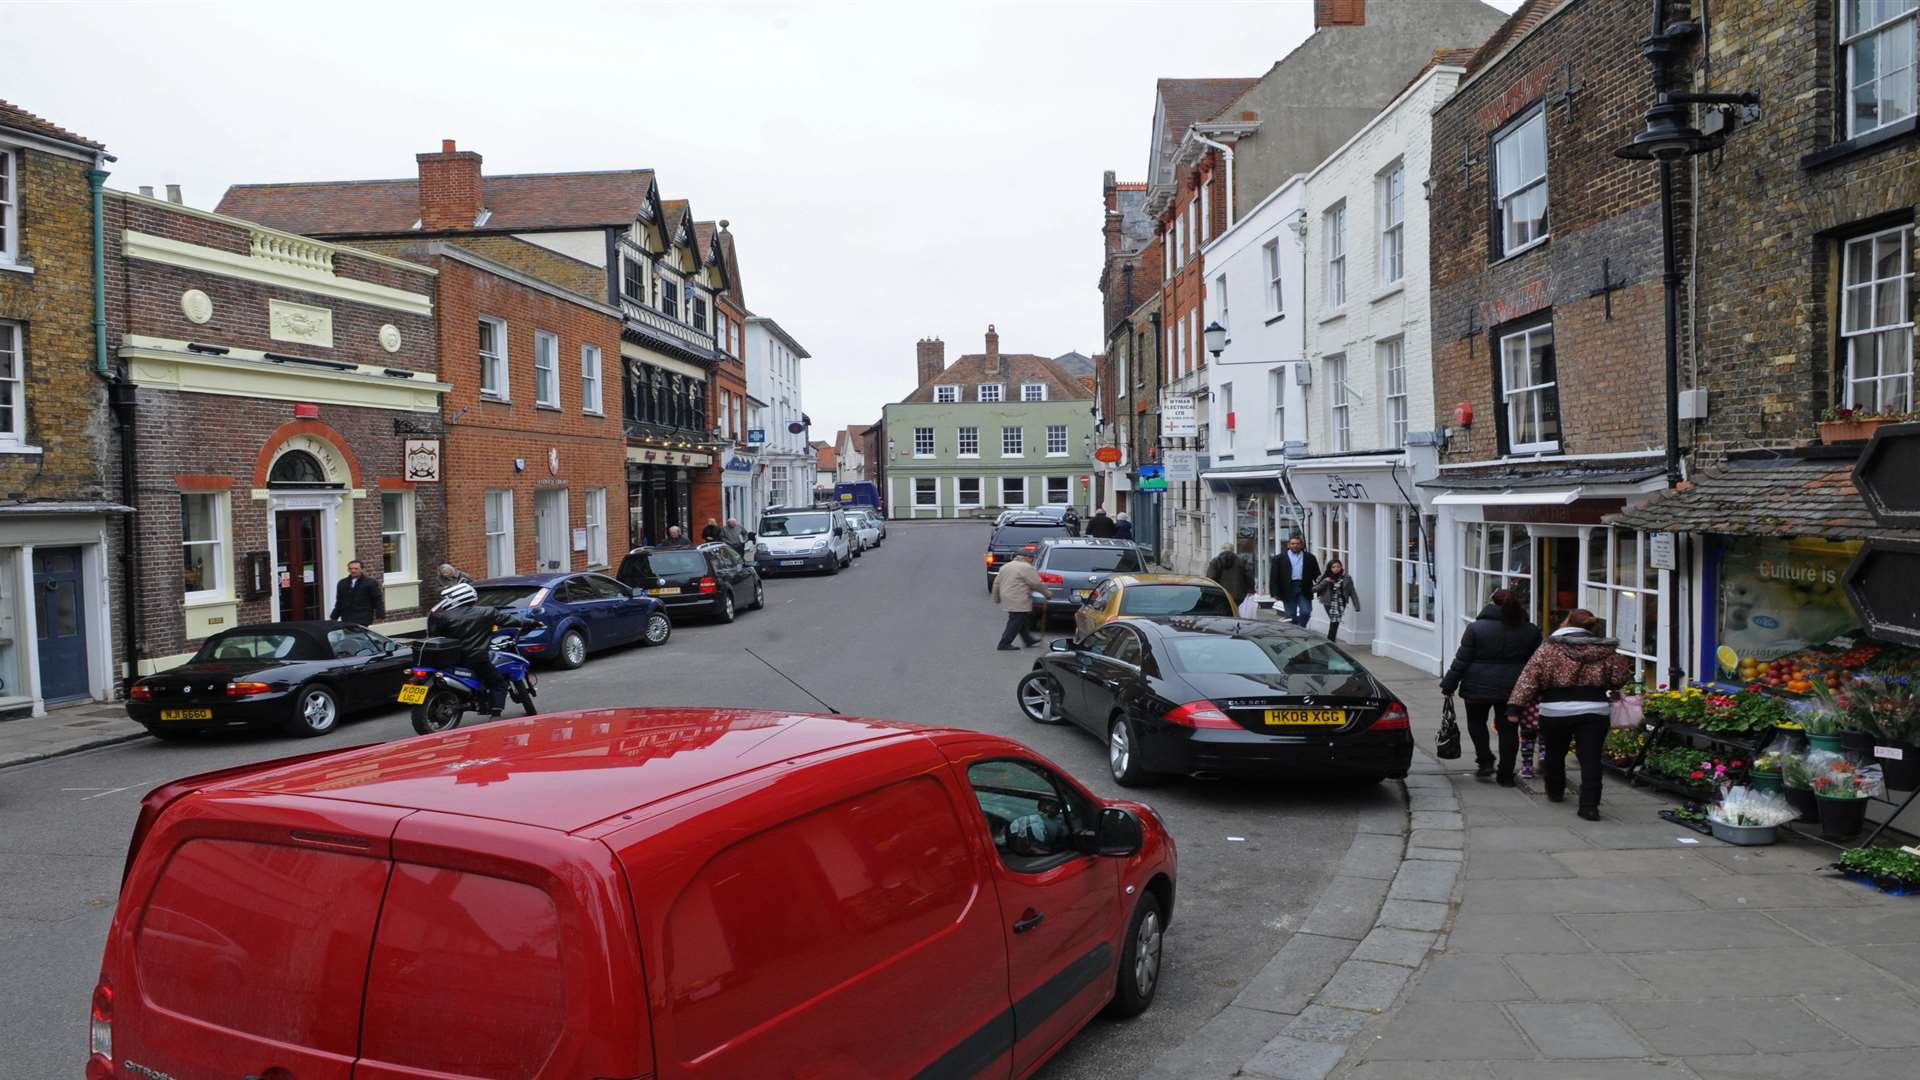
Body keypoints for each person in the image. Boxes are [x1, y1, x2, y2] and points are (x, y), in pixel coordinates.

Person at [1506, 609, 1634, 820]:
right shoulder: (1607, 651)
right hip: (1594, 709)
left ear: (1567, 623)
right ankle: (1589, 806)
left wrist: (1515, 707)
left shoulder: (1548, 649)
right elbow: (1619, 678)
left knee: (1555, 752)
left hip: (1555, 710)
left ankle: (1555, 792)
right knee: (1591, 758)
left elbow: (1529, 678)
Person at [1439, 588, 1542, 784]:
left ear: (1492, 603)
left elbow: (1462, 659)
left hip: (1477, 685)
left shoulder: (1476, 628)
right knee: (1508, 730)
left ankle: (1485, 760)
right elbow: (1536, 663)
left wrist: (1449, 684)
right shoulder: (1530, 630)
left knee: (1476, 723)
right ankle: (1505, 775)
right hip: (1513, 688)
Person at [425, 585, 538, 717]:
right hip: (475, 658)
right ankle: (496, 714)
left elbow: (434, 637)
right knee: (498, 683)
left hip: (449, 659)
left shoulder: (440, 616)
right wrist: (533, 622)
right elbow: (511, 620)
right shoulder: (486, 612)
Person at [993, 550, 1046, 651]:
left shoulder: (1006, 566)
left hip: (1007, 596)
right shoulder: (1026, 568)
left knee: (1021, 618)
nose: (1032, 560)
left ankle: (1028, 639)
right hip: (1018, 597)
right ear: (1026, 557)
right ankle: (1004, 643)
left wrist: (997, 598)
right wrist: (1047, 594)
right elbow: (1037, 583)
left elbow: (996, 583)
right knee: (1016, 620)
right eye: (1031, 558)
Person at [1268, 536, 1320, 627]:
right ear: (1288, 545)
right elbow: (1274, 577)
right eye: (1293, 544)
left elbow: (1316, 574)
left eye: (1297, 544)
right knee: (1290, 615)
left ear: (1301, 545)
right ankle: (1294, 631)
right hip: (1287, 588)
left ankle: (1300, 627)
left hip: (1304, 587)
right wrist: (1275, 593)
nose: (1295, 545)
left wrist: (1321, 587)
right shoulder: (1279, 558)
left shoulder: (1309, 557)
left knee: (1306, 611)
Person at [1312, 560, 1361, 641]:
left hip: (1341, 602)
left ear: (1341, 567)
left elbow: (1352, 592)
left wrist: (1357, 605)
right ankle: (1331, 640)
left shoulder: (1347, 578)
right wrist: (1325, 582)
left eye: (1338, 566)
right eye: (1333, 567)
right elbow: (1314, 589)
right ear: (1329, 568)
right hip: (1328, 602)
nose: (1336, 569)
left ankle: (1330, 640)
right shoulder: (1324, 577)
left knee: (1335, 621)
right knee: (1334, 620)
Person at [328, 559, 384, 626]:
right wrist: (334, 616)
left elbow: (377, 599)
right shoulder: (342, 583)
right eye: (350, 569)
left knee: (359, 636)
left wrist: (380, 615)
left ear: (362, 569)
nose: (353, 571)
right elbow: (339, 601)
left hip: (363, 618)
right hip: (347, 618)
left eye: (356, 569)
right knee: (348, 636)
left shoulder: (370, 583)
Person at [1205, 544, 1254, 609]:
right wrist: (1251, 589)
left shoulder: (1215, 562)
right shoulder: (1241, 561)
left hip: (1220, 595)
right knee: (1235, 612)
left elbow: (1210, 578)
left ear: (1221, 551)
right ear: (1233, 550)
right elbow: (1249, 576)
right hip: (1238, 595)